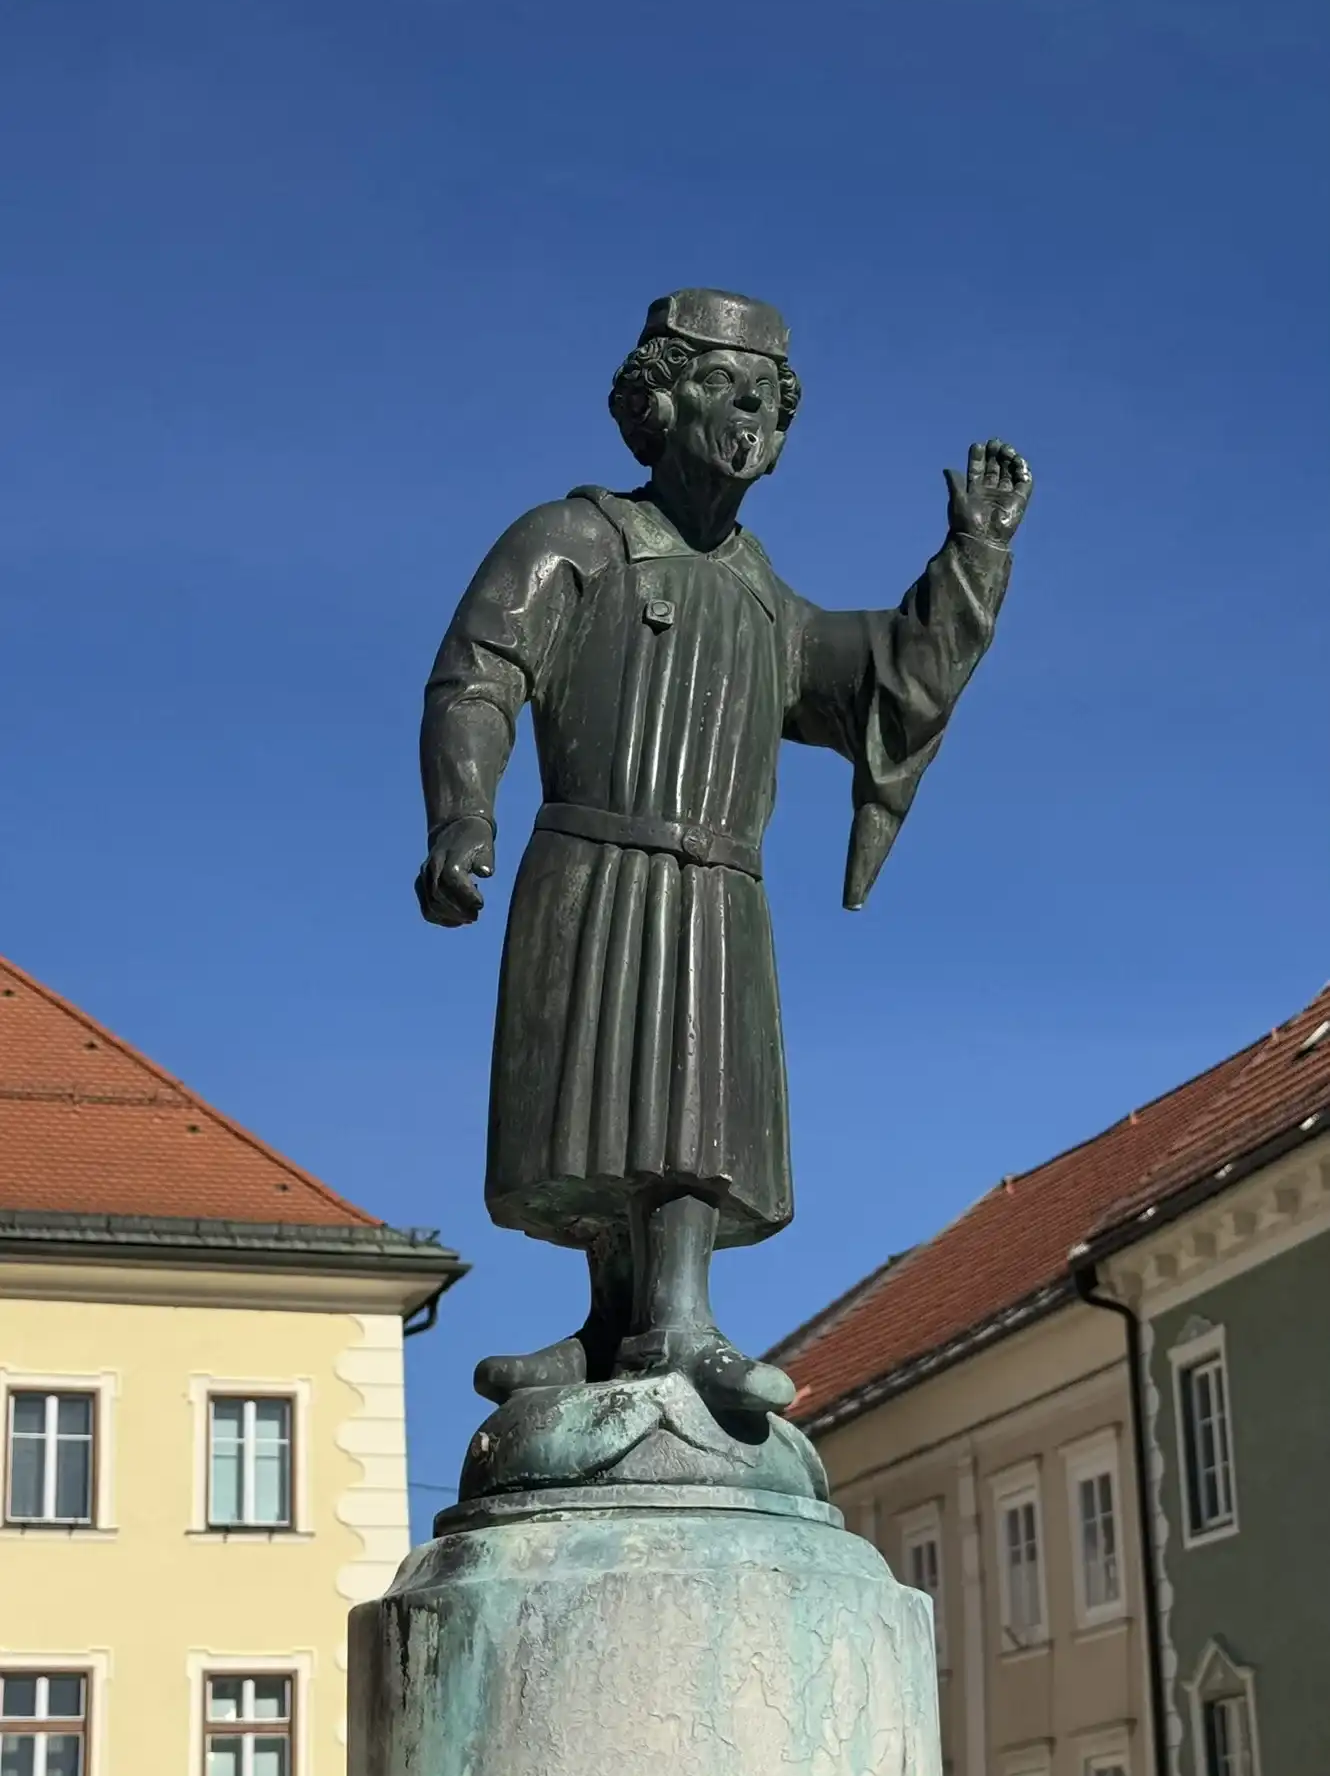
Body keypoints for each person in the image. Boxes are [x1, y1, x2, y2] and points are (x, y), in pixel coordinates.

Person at [416, 289, 1031, 1419]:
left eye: (767, 396)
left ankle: (682, 1320)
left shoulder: (766, 600)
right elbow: (479, 676)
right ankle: (613, 1322)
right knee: (590, 1105)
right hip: (592, 866)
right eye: (719, 385)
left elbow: (895, 673)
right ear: (656, 400)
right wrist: (463, 815)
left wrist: (973, 557)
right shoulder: (573, 540)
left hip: (714, 889)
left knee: (697, 1100)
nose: (748, 411)